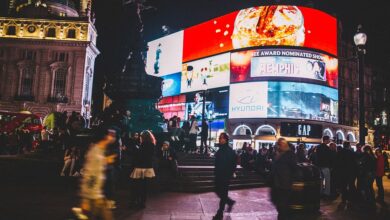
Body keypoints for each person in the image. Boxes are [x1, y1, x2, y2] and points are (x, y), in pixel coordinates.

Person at [75, 128, 116, 220]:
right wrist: (87, 197)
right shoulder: (96, 153)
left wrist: (105, 161)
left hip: (96, 194)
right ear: (105, 137)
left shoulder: (100, 151)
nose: (113, 137)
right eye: (111, 135)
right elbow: (90, 175)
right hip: (93, 196)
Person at [270, 138, 297, 220]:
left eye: (279, 144)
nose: (278, 146)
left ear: (284, 145)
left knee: (283, 205)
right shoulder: (278, 154)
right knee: (278, 204)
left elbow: (294, 169)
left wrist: (292, 181)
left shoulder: (290, 154)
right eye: (277, 144)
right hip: (277, 183)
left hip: (285, 183)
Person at [213, 133, 237, 220]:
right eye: (220, 138)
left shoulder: (229, 151)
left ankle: (220, 213)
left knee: (223, 194)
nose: (220, 139)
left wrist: (230, 173)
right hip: (218, 175)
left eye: (222, 138)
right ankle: (230, 202)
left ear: (226, 139)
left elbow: (233, 164)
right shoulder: (219, 150)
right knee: (218, 191)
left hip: (225, 176)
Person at [129, 130, 156, 209]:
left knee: (136, 185)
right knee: (144, 186)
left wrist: (135, 149)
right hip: (148, 167)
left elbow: (138, 156)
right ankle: (142, 202)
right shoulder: (152, 145)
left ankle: (135, 201)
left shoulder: (142, 145)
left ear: (143, 137)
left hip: (139, 167)